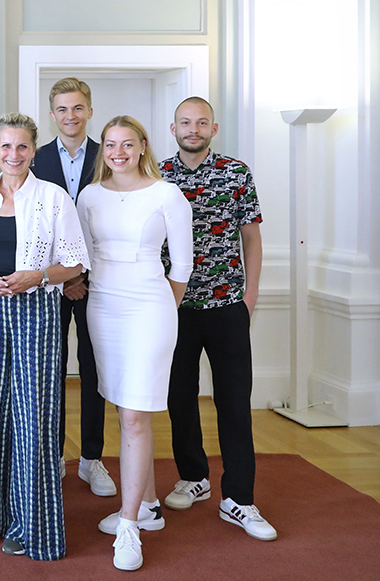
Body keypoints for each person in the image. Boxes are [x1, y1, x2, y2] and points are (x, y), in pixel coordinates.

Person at [0, 113, 88, 561]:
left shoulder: (53, 197)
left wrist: (39, 276)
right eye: (5, 147)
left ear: (33, 150)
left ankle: (34, 527)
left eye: (22, 147)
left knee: (35, 421)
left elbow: (76, 263)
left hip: (37, 311)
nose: (13, 155)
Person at [76, 116, 193, 571]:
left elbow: (181, 266)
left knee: (134, 415)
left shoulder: (167, 194)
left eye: (127, 144)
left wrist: (162, 310)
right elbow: (83, 257)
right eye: (110, 145)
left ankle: (129, 526)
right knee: (122, 404)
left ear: (143, 146)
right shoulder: (88, 196)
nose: (118, 152)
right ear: (102, 150)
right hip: (103, 308)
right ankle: (147, 507)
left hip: (149, 305)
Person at [160, 97, 275, 541]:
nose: (193, 129)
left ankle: (239, 499)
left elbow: (252, 236)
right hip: (176, 307)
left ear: (214, 127)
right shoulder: (159, 176)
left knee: (233, 402)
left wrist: (251, 293)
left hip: (227, 306)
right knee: (179, 399)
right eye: (185, 123)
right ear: (173, 129)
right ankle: (194, 476)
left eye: (201, 122)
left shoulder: (235, 172)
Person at [30, 78, 116, 496]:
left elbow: (113, 222)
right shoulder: (34, 158)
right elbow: (31, 224)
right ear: (52, 115)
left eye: (78, 108)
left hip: (99, 284)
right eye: (63, 109)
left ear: (90, 111)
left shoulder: (109, 157)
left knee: (93, 368)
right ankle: (54, 455)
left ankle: (91, 458)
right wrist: (62, 277)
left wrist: (82, 276)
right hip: (49, 284)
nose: (71, 116)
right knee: (50, 369)